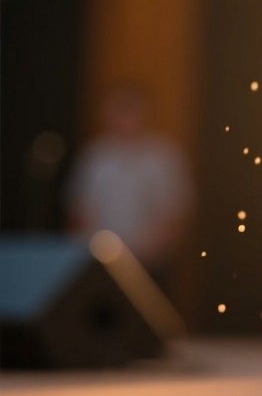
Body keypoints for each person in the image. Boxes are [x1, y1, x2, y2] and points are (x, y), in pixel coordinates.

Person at [67, 83, 194, 285]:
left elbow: (175, 212)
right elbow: (80, 211)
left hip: (150, 263)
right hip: (99, 264)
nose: (124, 117)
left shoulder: (164, 156)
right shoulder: (95, 156)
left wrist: (152, 251)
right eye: (118, 108)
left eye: (130, 108)